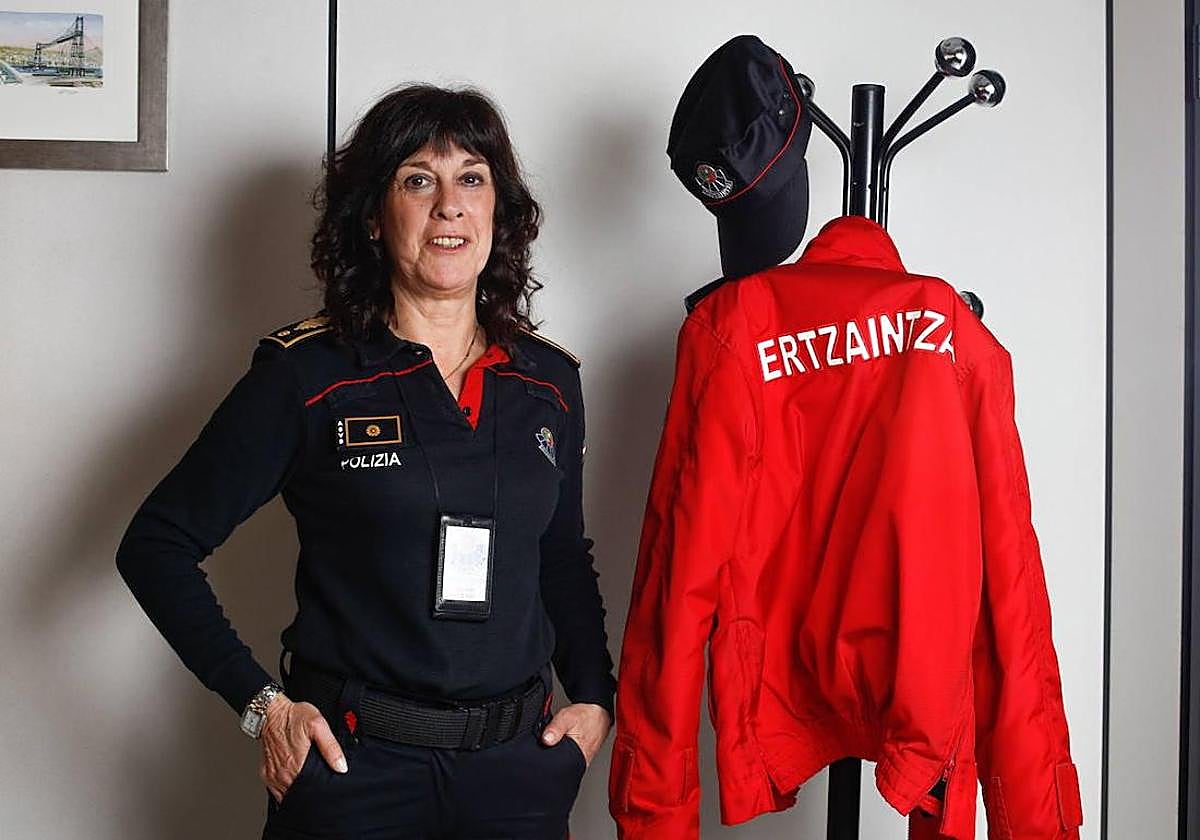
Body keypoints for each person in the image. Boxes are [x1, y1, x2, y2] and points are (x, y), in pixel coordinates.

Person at [116, 84, 616, 840]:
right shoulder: (307, 375)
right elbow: (156, 544)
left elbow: (562, 558)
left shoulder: (549, 381)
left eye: (471, 178)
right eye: (418, 180)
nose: (449, 206)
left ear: (499, 211)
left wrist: (596, 699)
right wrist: (262, 708)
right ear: (376, 219)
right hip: (355, 776)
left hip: (518, 775)